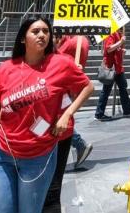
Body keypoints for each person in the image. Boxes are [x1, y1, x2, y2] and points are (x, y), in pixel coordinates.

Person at [0, 17, 95, 213]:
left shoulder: (61, 64)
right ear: (23, 38)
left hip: (38, 157)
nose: (42, 35)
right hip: (4, 154)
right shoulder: (6, 68)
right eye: (36, 31)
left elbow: (88, 87)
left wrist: (67, 114)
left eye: (46, 31)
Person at [44, 34, 94, 212]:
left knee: (51, 185)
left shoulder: (66, 55)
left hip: (58, 126)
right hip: (38, 131)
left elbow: (84, 88)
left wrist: (75, 70)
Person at [51, 35, 94, 168]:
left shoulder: (77, 41)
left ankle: (80, 144)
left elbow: (86, 84)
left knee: (59, 121)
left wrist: (76, 69)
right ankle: (80, 144)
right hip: (59, 90)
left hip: (63, 90)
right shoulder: (66, 42)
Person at [93, 29, 130, 120]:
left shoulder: (118, 34)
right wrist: (121, 42)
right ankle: (99, 113)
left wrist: (122, 50)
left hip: (118, 68)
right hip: (111, 68)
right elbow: (108, 49)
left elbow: (116, 49)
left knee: (123, 88)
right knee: (106, 90)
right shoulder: (111, 33)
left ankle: (127, 109)